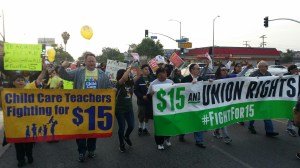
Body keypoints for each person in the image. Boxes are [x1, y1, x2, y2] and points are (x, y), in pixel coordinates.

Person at [58, 51, 112, 162]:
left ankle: (91, 150)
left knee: (93, 131)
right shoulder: (78, 72)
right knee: (80, 131)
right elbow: (65, 75)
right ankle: (81, 152)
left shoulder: (102, 73)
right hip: (80, 108)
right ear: (85, 62)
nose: (91, 63)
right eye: (89, 61)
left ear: (95, 62)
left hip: (95, 108)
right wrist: (62, 66)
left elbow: (108, 86)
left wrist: (113, 89)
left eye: (93, 61)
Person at [5, 65, 47, 167]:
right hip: (16, 123)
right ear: (13, 82)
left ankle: (29, 155)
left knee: (29, 142)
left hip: (28, 122)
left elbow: (39, 79)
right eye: (18, 80)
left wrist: (44, 69)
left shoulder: (29, 88)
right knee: (18, 143)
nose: (20, 82)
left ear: (25, 82)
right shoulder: (7, 92)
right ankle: (21, 159)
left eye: (22, 80)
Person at [213, 63, 251, 143]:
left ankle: (216, 131)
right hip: (218, 102)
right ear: (219, 71)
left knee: (222, 118)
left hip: (227, 101)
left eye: (226, 70)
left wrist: (246, 68)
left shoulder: (230, 77)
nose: (225, 71)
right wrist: (210, 82)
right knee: (223, 119)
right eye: (223, 70)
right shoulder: (215, 79)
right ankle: (226, 137)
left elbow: (239, 75)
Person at [178, 63, 208, 148]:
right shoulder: (185, 79)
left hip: (198, 106)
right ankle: (181, 134)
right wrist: (191, 84)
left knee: (198, 123)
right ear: (192, 70)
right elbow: (182, 92)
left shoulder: (203, 79)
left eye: (199, 68)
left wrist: (210, 83)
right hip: (187, 106)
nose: (199, 70)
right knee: (185, 122)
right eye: (197, 69)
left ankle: (199, 141)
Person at [248, 60, 279, 137]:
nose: (267, 67)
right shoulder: (253, 74)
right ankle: (250, 126)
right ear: (260, 67)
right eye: (265, 66)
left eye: (267, 66)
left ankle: (269, 131)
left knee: (267, 114)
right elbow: (248, 84)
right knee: (254, 114)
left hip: (265, 98)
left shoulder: (268, 74)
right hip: (255, 98)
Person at [147, 67, 173, 150]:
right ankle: (159, 143)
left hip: (169, 108)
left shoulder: (170, 82)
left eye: (165, 73)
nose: (163, 76)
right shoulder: (153, 83)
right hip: (158, 109)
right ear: (157, 75)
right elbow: (147, 95)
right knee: (159, 126)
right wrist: (151, 94)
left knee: (169, 124)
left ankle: (167, 138)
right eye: (161, 74)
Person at [115, 64, 136, 152]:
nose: (127, 75)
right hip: (120, 110)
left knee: (131, 126)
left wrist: (136, 65)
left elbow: (138, 75)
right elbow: (123, 78)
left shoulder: (130, 83)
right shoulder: (118, 84)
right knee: (122, 128)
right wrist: (129, 68)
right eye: (125, 74)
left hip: (129, 109)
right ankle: (121, 143)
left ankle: (126, 136)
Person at [134, 64, 155, 136]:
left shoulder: (152, 79)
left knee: (147, 115)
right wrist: (141, 96)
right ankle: (140, 127)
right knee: (141, 115)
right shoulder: (139, 80)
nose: (147, 70)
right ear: (142, 70)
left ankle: (145, 128)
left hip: (150, 101)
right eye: (146, 69)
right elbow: (135, 91)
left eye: (148, 69)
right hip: (142, 101)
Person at [284, 64, 299, 137]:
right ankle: (289, 128)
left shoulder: (298, 76)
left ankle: (294, 124)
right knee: (292, 112)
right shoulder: (286, 76)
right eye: (295, 69)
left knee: (296, 112)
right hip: (289, 98)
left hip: (297, 96)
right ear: (291, 70)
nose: (297, 70)